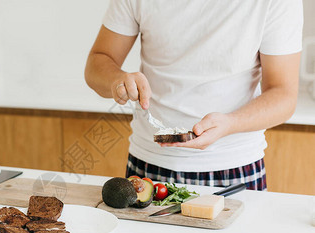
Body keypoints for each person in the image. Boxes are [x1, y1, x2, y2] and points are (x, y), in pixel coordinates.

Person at [84, 0, 303, 190]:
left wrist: (230, 123)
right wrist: (117, 80)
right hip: (149, 163)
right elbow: (98, 61)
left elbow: (283, 94)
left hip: (234, 166)